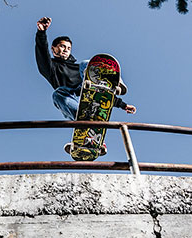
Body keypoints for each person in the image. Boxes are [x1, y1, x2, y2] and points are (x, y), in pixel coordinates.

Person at [35, 17, 136, 155]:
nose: (66, 50)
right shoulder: (51, 68)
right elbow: (42, 56)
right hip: (73, 99)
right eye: (62, 46)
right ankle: (88, 133)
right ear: (53, 49)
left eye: (69, 48)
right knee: (57, 94)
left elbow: (100, 94)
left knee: (86, 64)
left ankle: (114, 83)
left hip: (88, 90)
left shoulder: (79, 68)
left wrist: (123, 105)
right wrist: (41, 33)